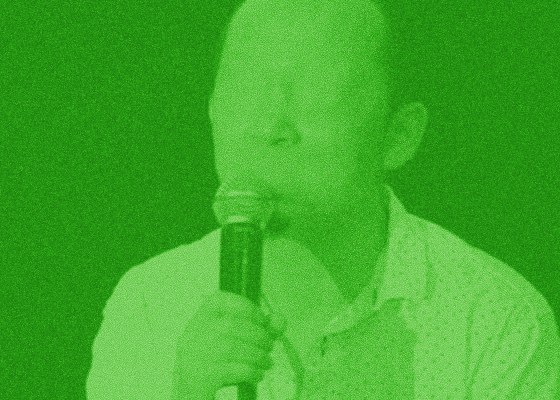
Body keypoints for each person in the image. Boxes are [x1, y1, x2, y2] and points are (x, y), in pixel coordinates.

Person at [86, 0, 560, 398]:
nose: (270, 127)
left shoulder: (492, 317)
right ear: (211, 111)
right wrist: (186, 391)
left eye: (316, 93)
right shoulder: (150, 302)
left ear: (399, 135)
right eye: (244, 87)